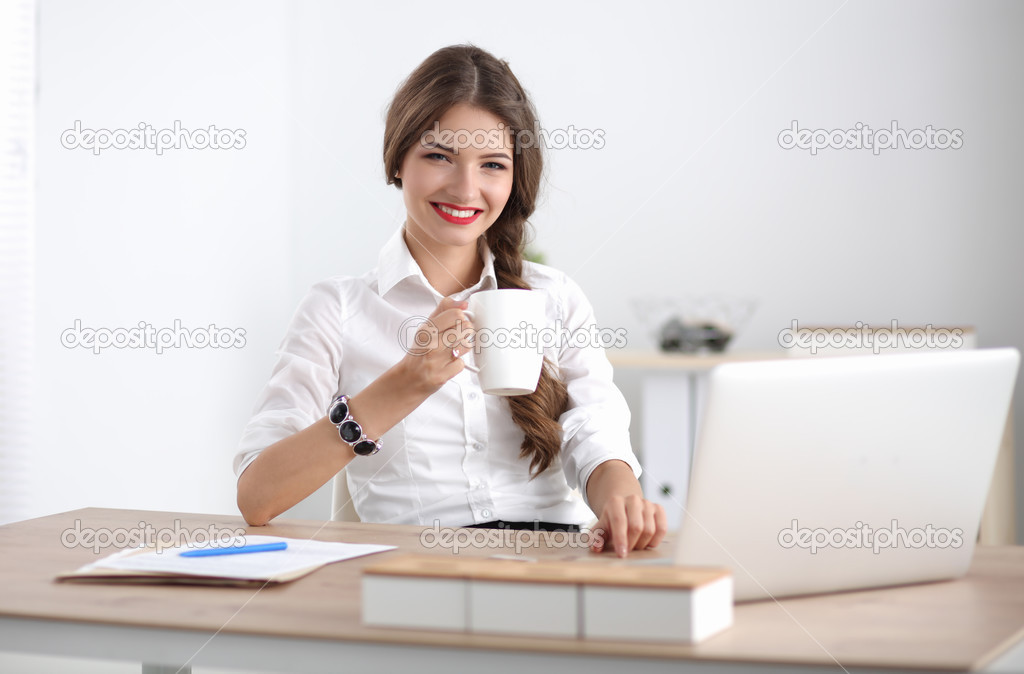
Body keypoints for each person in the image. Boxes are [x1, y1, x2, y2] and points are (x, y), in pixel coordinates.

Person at [234, 44, 667, 558]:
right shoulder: (338, 309)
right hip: (417, 568)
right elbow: (257, 497)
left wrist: (622, 500)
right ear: (398, 161)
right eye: (439, 156)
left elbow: (593, 431)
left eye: (492, 164)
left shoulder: (554, 296)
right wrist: (402, 385)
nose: (466, 189)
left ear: (514, 177)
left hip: (554, 560)